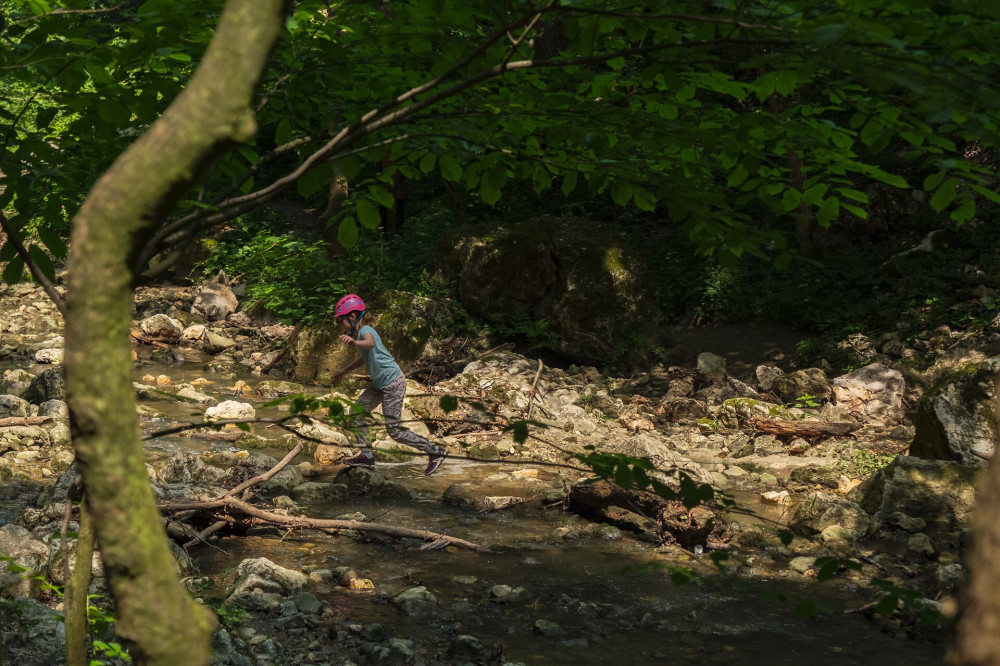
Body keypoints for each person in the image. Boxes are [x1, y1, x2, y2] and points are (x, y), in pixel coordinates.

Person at [330, 293, 447, 475]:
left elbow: (369, 343)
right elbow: (364, 357)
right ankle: (367, 456)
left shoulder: (366, 331)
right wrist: (344, 370)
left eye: (341, 320)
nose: (340, 324)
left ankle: (435, 451)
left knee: (394, 431)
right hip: (379, 384)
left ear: (352, 317)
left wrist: (354, 341)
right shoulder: (358, 333)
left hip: (393, 383)